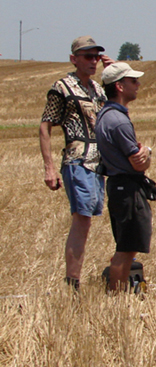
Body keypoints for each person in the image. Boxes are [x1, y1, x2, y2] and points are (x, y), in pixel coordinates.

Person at [39, 36, 114, 290]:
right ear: (74, 59)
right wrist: (49, 167)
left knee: (88, 218)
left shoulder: (98, 89)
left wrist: (114, 73)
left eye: (96, 56)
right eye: (88, 56)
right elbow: (45, 125)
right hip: (77, 160)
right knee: (81, 218)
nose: (93, 61)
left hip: (99, 163)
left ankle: (75, 280)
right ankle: (72, 284)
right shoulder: (62, 88)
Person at [95, 62, 153, 292]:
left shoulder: (106, 115)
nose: (138, 84)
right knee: (126, 248)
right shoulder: (118, 121)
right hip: (127, 188)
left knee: (125, 245)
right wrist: (147, 153)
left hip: (118, 186)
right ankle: (117, 298)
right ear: (119, 86)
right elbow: (138, 163)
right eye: (133, 81)